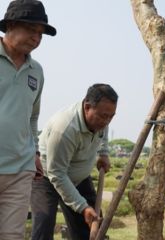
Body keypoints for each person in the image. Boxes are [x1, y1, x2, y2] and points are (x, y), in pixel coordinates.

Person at [31, 84, 118, 240]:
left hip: (79, 177)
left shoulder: (101, 118)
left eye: (111, 116)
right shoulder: (64, 129)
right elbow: (57, 174)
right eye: (103, 116)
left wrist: (103, 153)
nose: (107, 122)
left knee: (92, 226)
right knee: (43, 227)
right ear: (87, 107)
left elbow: (103, 130)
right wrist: (82, 207)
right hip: (48, 177)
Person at [0, 1, 56, 239]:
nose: (36, 38)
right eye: (31, 30)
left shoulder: (37, 71)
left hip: (20, 170)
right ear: (10, 25)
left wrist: (33, 153)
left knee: (12, 235)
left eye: (41, 34)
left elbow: (32, 116)